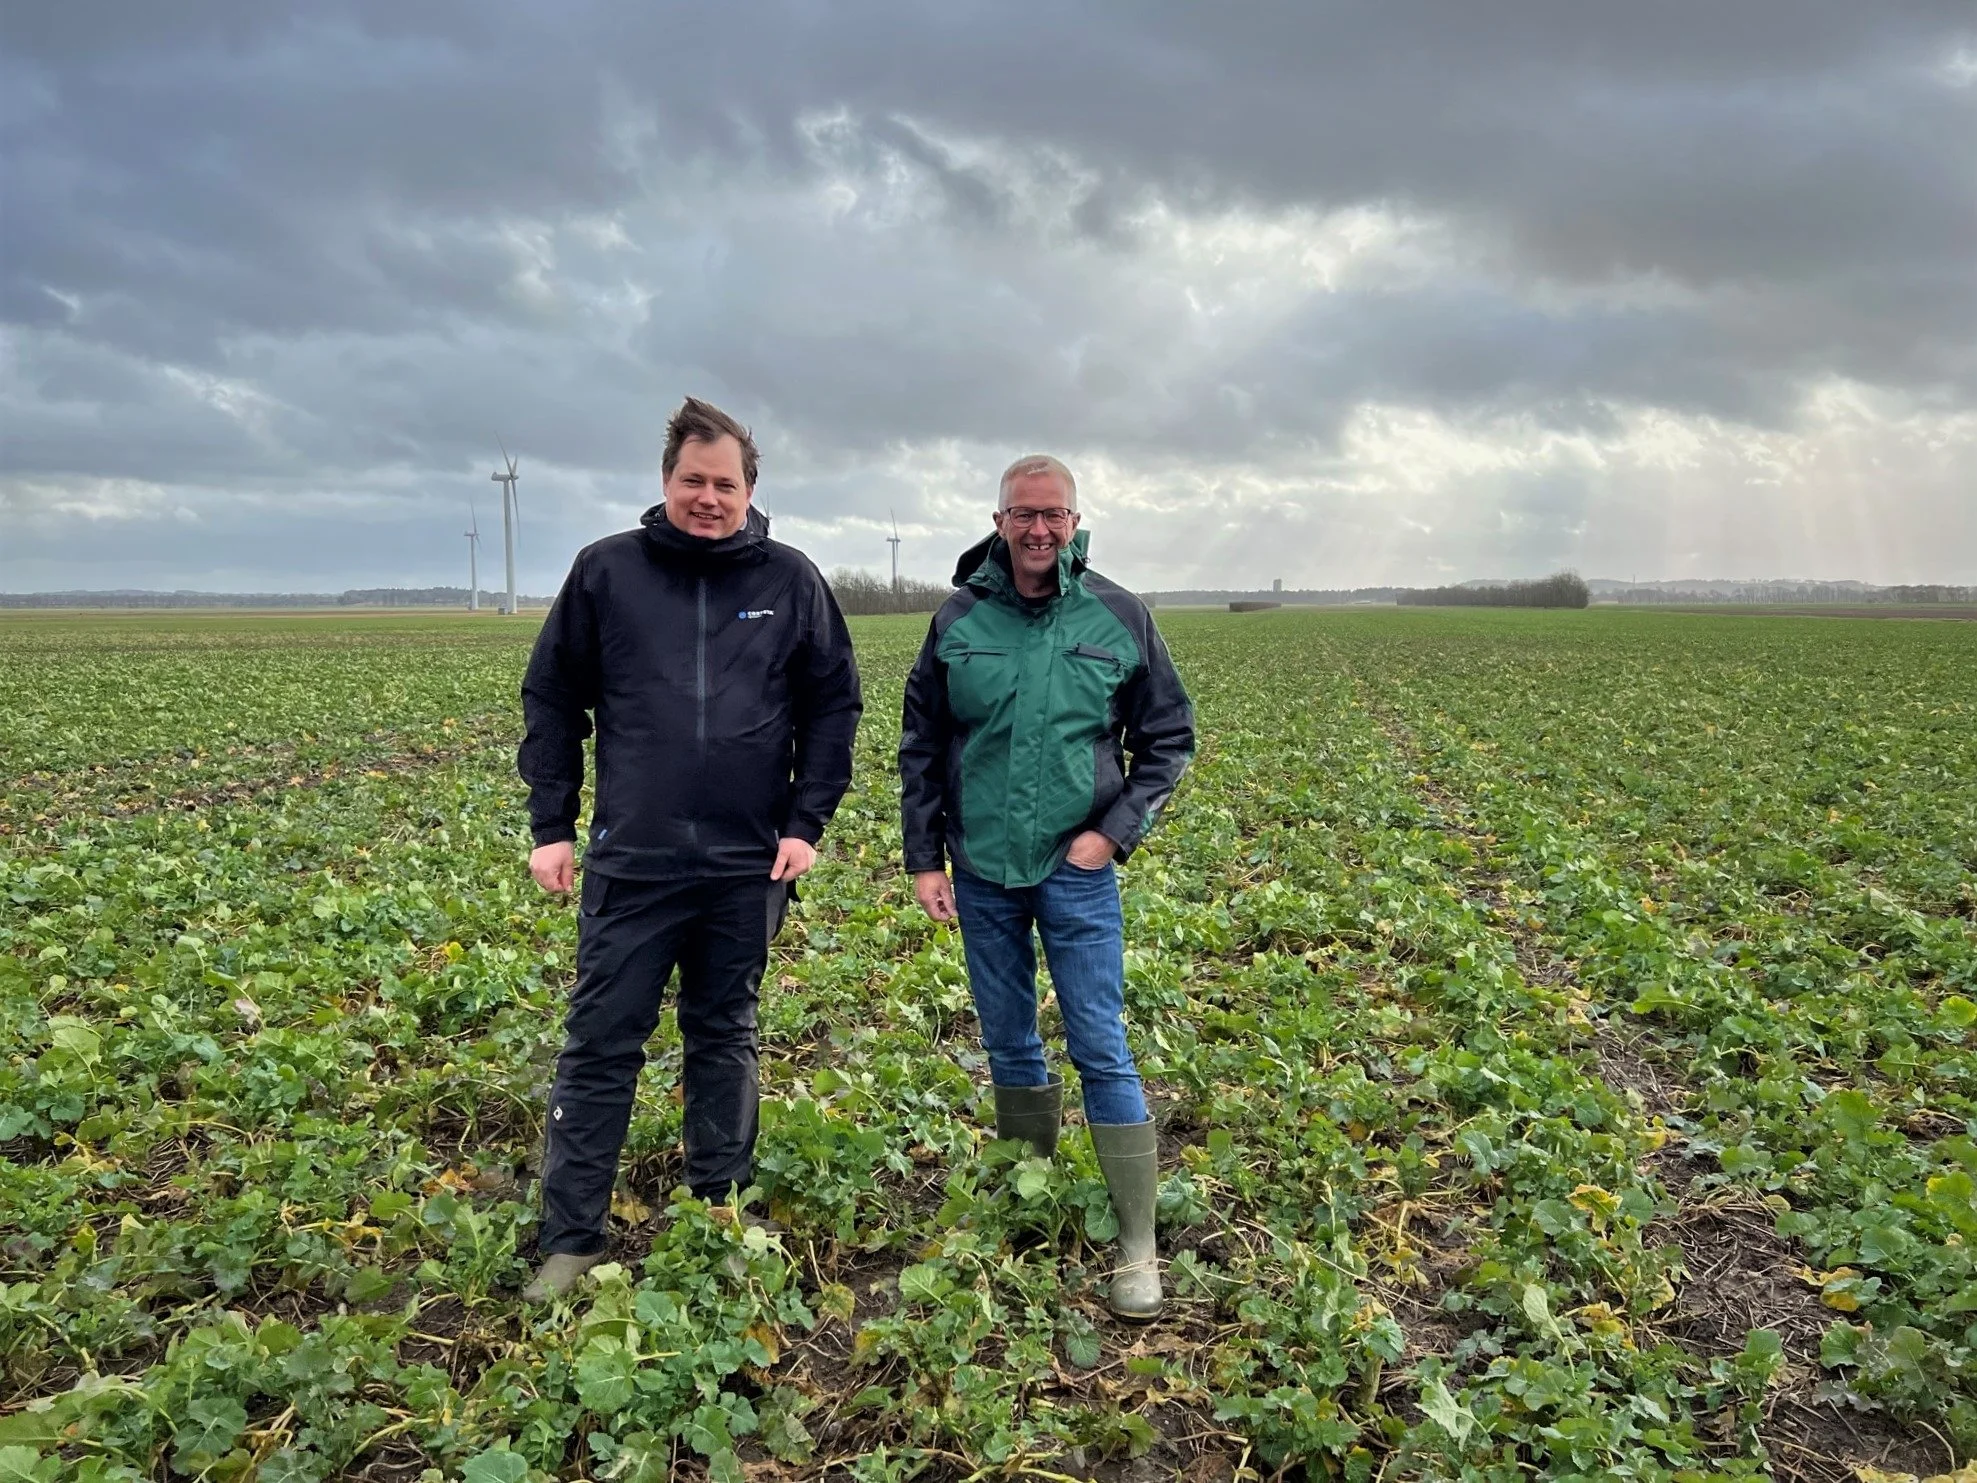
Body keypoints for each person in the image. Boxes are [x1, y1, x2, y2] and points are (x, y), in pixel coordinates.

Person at [517, 397, 862, 1301]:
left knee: (724, 1031)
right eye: (692, 481)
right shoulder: (607, 573)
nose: (708, 498)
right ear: (664, 481)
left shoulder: (791, 581)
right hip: (634, 856)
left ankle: (718, 1208)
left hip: (748, 861)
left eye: (725, 484)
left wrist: (806, 822)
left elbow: (833, 707)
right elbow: (552, 699)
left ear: (751, 490)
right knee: (600, 1042)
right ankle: (571, 1236)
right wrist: (551, 824)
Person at [899, 453, 1194, 1319]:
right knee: (1009, 1042)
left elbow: (1168, 740)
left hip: (1076, 870)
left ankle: (1136, 1244)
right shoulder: (958, 618)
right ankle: (1021, 1203)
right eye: (1022, 514)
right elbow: (920, 743)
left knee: (1099, 1043)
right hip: (982, 869)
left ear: (1074, 520)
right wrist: (925, 856)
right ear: (998, 521)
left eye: (1052, 514)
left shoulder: (1117, 614)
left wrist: (1110, 835)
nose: (1037, 529)